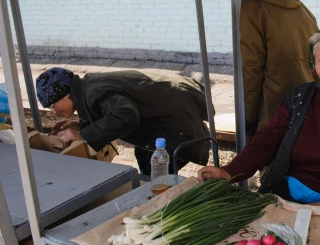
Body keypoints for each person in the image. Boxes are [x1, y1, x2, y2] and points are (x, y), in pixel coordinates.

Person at [197, 28, 320, 212]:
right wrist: (229, 172)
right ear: (312, 63)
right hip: (287, 198)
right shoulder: (299, 96)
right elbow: (266, 142)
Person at [35, 68, 212, 175]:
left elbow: (125, 116)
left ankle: (164, 205)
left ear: (67, 94)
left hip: (177, 118)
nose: (53, 111)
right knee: (144, 159)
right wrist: (79, 125)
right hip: (163, 113)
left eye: (52, 104)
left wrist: (82, 134)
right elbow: (108, 111)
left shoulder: (95, 91)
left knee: (159, 173)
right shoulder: (86, 88)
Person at [221, 0, 318, 136]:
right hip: (307, 99)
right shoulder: (296, 3)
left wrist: (247, 118)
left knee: (273, 162)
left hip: (275, 107)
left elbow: (251, 69)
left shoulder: (250, 6)